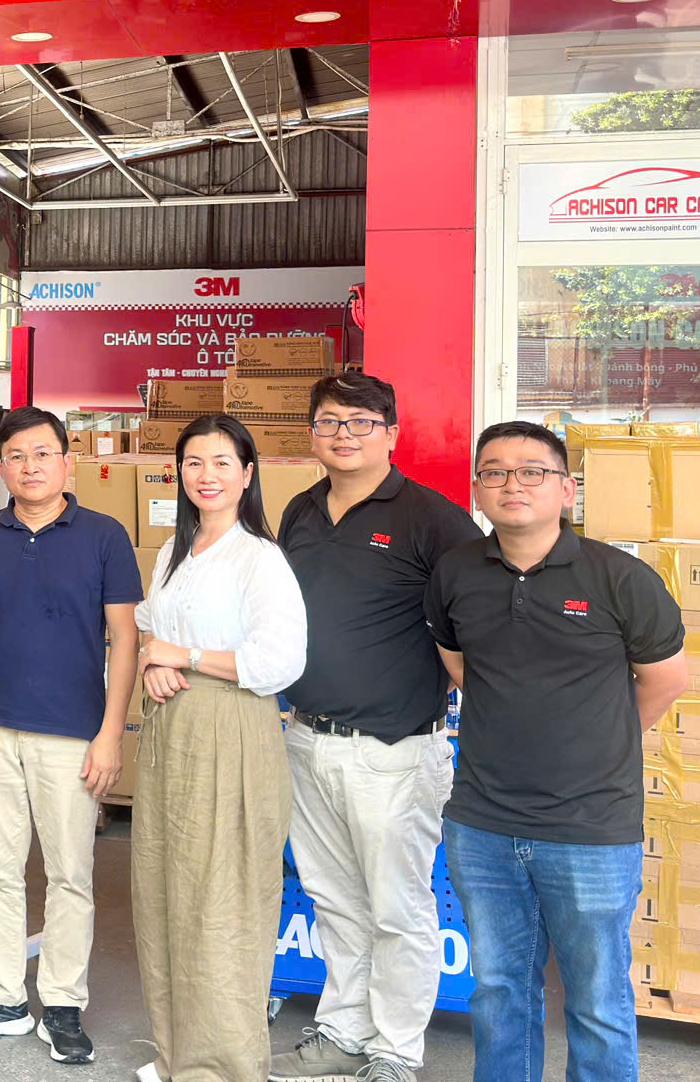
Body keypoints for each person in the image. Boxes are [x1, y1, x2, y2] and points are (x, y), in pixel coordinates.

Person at [428, 422, 688, 1082]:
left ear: (566, 489)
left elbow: (665, 680)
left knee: (597, 999)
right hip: (483, 823)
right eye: (494, 472)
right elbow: (459, 665)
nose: (512, 484)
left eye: (532, 471)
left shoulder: (620, 578)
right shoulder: (456, 573)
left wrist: (597, 743)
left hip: (589, 827)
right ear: (477, 490)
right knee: (499, 991)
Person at [271, 374, 481, 1082]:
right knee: (334, 900)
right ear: (312, 433)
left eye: (360, 422)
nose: (344, 435)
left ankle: (395, 1050)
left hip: (394, 750)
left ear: (391, 433)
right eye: (329, 421)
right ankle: (343, 1029)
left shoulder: (432, 519)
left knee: (398, 910)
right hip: (307, 738)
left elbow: (476, 620)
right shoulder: (301, 510)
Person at [0, 406, 141, 1065]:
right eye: (16, 456)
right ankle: (3, 997)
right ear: (0, 466)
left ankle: (61, 1003)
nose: (30, 467)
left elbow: (125, 639)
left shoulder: (105, 536)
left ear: (67, 461)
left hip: (71, 735)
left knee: (70, 875)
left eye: (42, 454)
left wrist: (111, 734)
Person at [133, 413, 309, 1082]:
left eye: (222, 463)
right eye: (194, 463)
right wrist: (152, 662)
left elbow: (280, 661)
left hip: (231, 728)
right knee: (163, 892)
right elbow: (151, 630)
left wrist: (184, 656)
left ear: (247, 474)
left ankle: (224, 1066)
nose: (206, 476)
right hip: (169, 730)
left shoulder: (258, 558)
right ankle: (176, 1053)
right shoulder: (173, 552)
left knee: (222, 901)